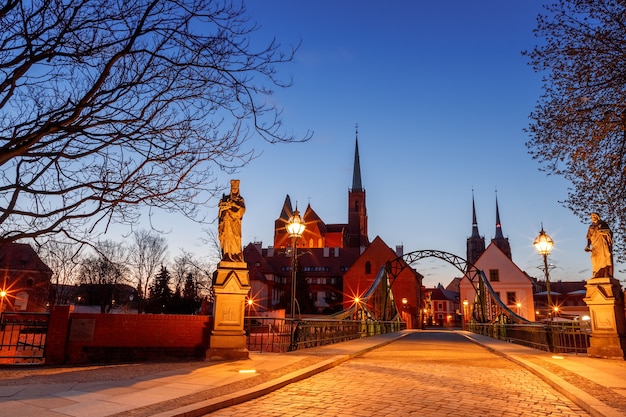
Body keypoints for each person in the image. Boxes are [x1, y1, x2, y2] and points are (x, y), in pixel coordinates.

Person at [218, 179, 245, 262]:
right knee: (226, 238)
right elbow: (220, 211)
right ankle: (227, 255)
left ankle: (236, 255)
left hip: (235, 224)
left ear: (238, 189)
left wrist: (234, 205)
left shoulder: (240, 199)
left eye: (236, 189)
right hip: (226, 222)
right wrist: (223, 206)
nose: (234, 190)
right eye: (233, 189)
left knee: (236, 238)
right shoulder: (226, 198)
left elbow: (242, 210)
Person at [585, 212, 613, 278]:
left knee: (604, 257)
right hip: (595, 245)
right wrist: (588, 245)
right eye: (592, 217)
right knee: (594, 259)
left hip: (602, 244)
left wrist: (602, 232)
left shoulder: (603, 224)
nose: (593, 218)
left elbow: (609, 232)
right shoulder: (591, 227)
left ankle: (606, 274)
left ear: (597, 217)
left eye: (594, 216)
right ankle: (596, 273)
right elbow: (589, 237)